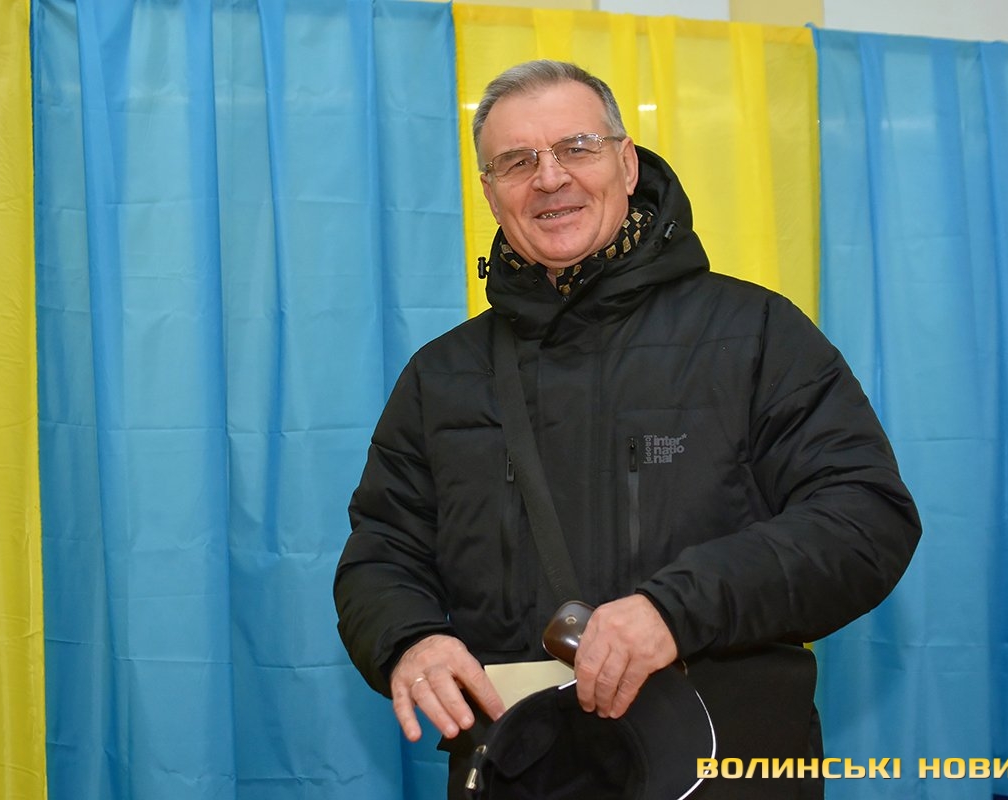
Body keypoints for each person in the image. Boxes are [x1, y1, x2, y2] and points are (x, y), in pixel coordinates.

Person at [335, 59, 921, 798]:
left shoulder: (756, 333)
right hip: (520, 770)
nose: (549, 179)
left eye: (576, 148)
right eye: (517, 162)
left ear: (627, 162)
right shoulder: (441, 376)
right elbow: (381, 552)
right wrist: (410, 641)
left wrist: (676, 609)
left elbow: (865, 520)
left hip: (723, 770)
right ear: (489, 191)